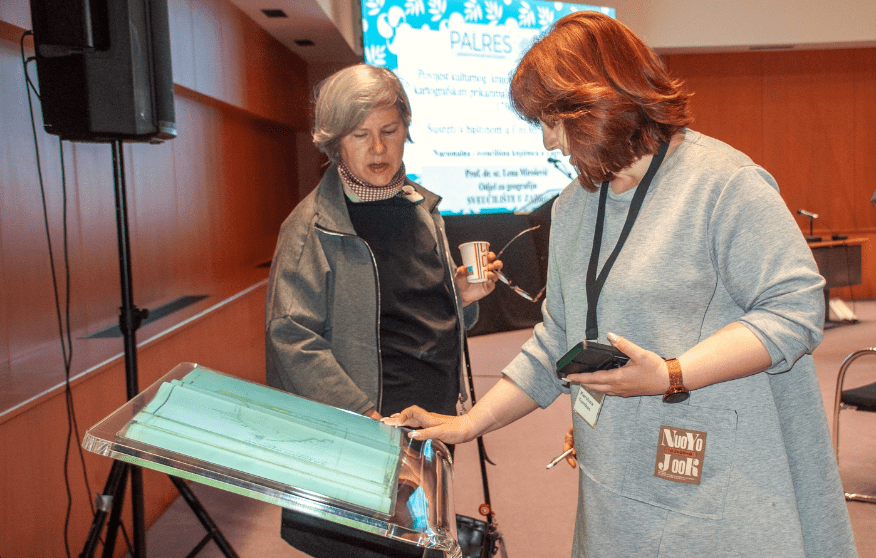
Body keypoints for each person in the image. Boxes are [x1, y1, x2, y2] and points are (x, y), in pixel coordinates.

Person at [385, 12, 858, 558]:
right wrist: (468, 424)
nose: (547, 143)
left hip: (716, 483)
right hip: (615, 484)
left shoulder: (726, 184)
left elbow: (795, 309)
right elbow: (558, 344)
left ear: (596, 103)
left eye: (551, 121)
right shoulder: (573, 206)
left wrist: (672, 374)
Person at [265, 63, 500, 421]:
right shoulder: (310, 227)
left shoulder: (423, 208)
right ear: (335, 142)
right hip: (365, 425)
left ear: (406, 129)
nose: (378, 147)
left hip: (437, 415)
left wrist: (460, 296)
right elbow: (291, 339)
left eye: (389, 131)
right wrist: (361, 415)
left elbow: (419, 314)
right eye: (360, 135)